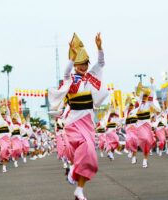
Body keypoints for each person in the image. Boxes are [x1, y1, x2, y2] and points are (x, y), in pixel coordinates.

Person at [49, 33, 108, 200]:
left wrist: (99, 47)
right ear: (75, 64)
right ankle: (74, 170)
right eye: (80, 64)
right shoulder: (70, 80)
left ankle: (79, 189)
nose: (83, 67)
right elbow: (66, 72)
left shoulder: (90, 78)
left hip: (88, 122)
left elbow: (101, 63)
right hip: (74, 123)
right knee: (85, 150)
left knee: (90, 156)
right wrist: (72, 57)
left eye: (85, 64)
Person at [135, 78, 161, 168]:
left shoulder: (149, 103)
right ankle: (143, 153)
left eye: (146, 95)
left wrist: (152, 84)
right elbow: (138, 94)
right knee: (143, 139)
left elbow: (152, 93)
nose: (145, 97)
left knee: (147, 140)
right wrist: (140, 88)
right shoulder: (138, 104)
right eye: (144, 95)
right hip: (139, 125)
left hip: (147, 125)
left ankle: (145, 160)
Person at [124, 96, 138, 164]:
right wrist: (129, 100)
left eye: (132, 105)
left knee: (134, 141)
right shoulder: (126, 111)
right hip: (128, 128)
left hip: (135, 127)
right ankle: (129, 150)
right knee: (129, 139)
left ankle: (134, 157)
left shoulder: (136, 110)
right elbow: (126, 106)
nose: (131, 107)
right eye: (130, 105)